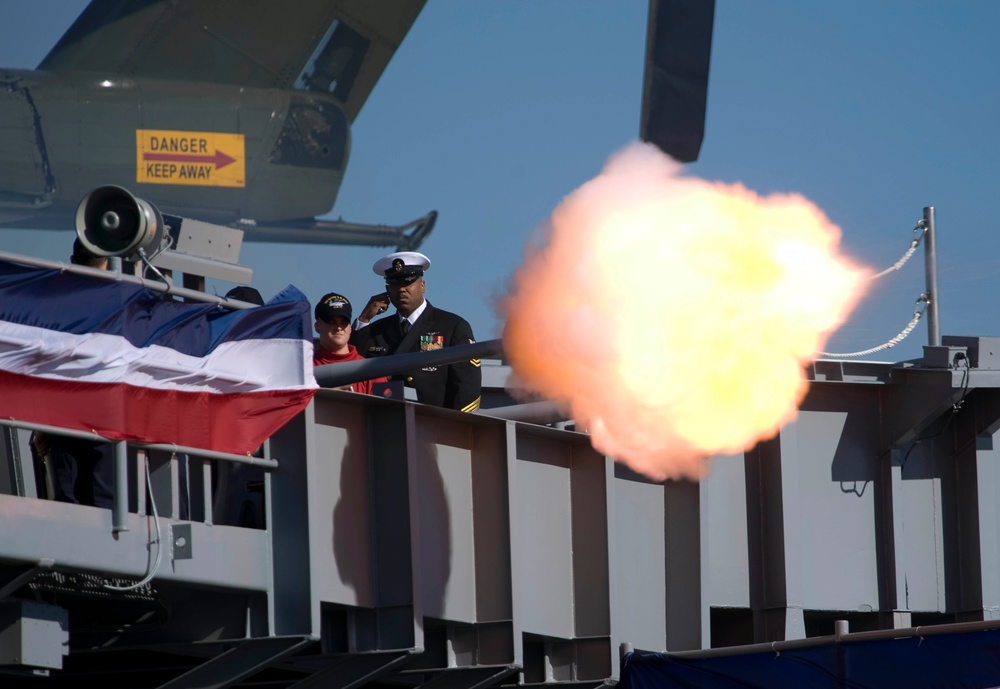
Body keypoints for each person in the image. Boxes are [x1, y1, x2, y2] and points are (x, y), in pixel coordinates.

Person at [33, 240, 114, 507]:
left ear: (72, 258)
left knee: (69, 502)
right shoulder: (120, 299)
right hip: (106, 411)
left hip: (63, 410)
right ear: (107, 261)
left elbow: (45, 359)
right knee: (106, 501)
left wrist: (41, 423)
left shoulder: (55, 301)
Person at [351, 251, 481, 411]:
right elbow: (349, 367)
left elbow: (467, 386)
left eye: (408, 283)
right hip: (384, 420)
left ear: (422, 285)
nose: (402, 290)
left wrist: (456, 428)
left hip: (433, 424)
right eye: (395, 284)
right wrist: (364, 319)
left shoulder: (452, 326)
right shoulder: (376, 331)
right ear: (387, 290)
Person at [313, 292, 387, 395]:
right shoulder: (304, 369)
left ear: (350, 327)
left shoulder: (372, 372)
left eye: (344, 323)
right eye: (331, 322)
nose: (339, 328)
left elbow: (387, 409)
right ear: (317, 326)